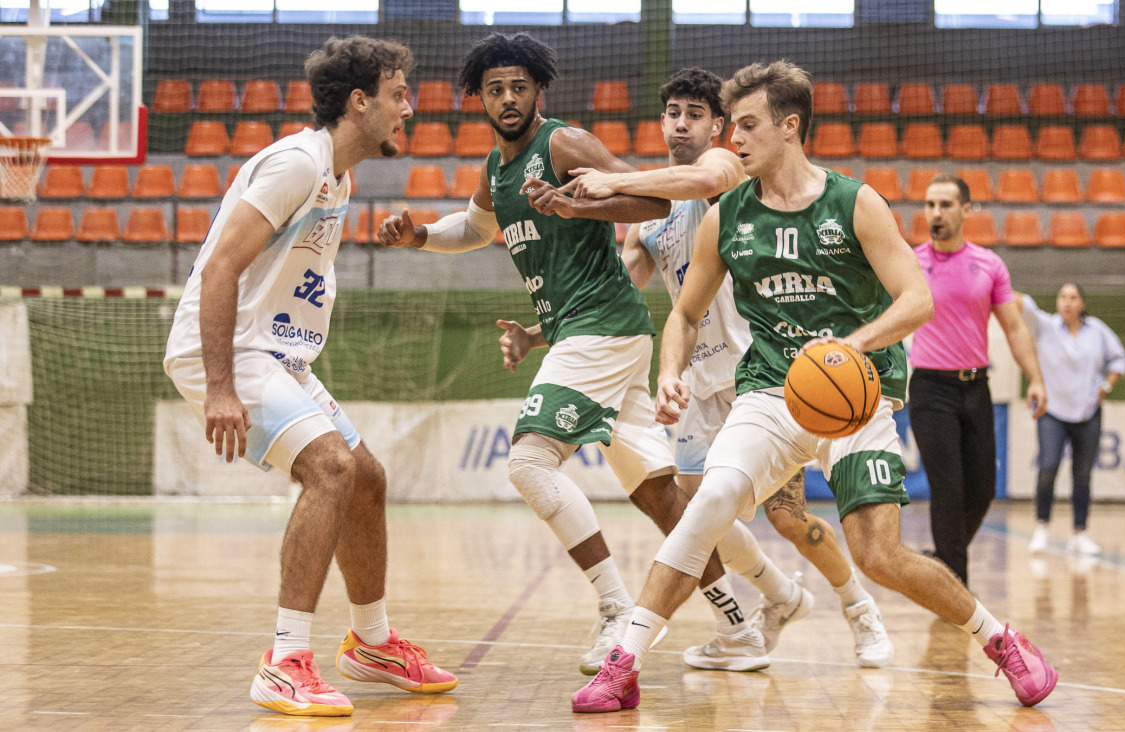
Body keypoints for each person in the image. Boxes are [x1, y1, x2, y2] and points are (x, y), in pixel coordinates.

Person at [571, 61, 1057, 714]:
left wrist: (848, 349)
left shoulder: (854, 202)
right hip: (770, 392)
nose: (733, 138)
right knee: (707, 501)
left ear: (790, 127)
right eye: (732, 125)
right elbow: (684, 314)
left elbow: (915, 301)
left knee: (879, 554)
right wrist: (669, 373)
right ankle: (624, 663)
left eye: (747, 125)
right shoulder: (729, 217)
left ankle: (1000, 640)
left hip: (859, 394)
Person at [377, 33, 806, 675]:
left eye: (519, 85)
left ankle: (614, 608)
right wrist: (420, 237)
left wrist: (581, 203)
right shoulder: (496, 171)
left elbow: (653, 201)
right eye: (495, 88)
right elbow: (476, 230)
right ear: (481, 100)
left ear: (538, 89)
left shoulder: (563, 143)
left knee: (528, 463)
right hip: (603, 330)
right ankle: (743, 618)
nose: (508, 97)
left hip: (601, 325)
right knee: (660, 495)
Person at [163, 37, 455, 717]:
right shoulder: (295, 162)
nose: (408, 107)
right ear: (360, 101)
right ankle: (285, 661)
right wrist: (220, 387)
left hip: (278, 357)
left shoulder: (336, 173)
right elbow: (219, 269)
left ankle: (373, 644)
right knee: (330, 470)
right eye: (398, 94)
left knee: (367, 478)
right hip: (233, 351)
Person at [566, 66, 892, 669]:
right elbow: (629, 281)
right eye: (673, 112)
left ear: (719, 124)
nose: (682, 123)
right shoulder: (650, 209)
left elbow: (705, 176)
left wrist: (609, 182)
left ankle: (858, 607)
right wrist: (541, 329)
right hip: (698, 381)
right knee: (699, 512)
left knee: (788, 517)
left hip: (762, 375)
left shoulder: (723, 170)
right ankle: (776, 598)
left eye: (696, 113)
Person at [910, 174, 1048, 587]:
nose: (936, 213)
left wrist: (1036, 379)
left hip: (975, 388)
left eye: (945, 204)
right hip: (930, 390)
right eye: (930, 204)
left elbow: (1015, 329)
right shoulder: (911, 263)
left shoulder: (989, 265)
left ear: (966, 210)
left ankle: (942, 563)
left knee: (983, 489)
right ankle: (957, 592)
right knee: (948, 491)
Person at [1017, 284, 1125, 556]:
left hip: (1087, 413)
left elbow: (1119, 361)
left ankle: (1080, 532)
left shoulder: (1098, 331)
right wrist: (994, 282)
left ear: (1082, 304)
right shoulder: (1045, 326)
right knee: (1048, 468)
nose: (1066, 302)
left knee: (1082, 475)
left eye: (1072, 298)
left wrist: (1105, 387)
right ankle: (1042, 528)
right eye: (1062, 297)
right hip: (1051, 411)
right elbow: (1025, 303)